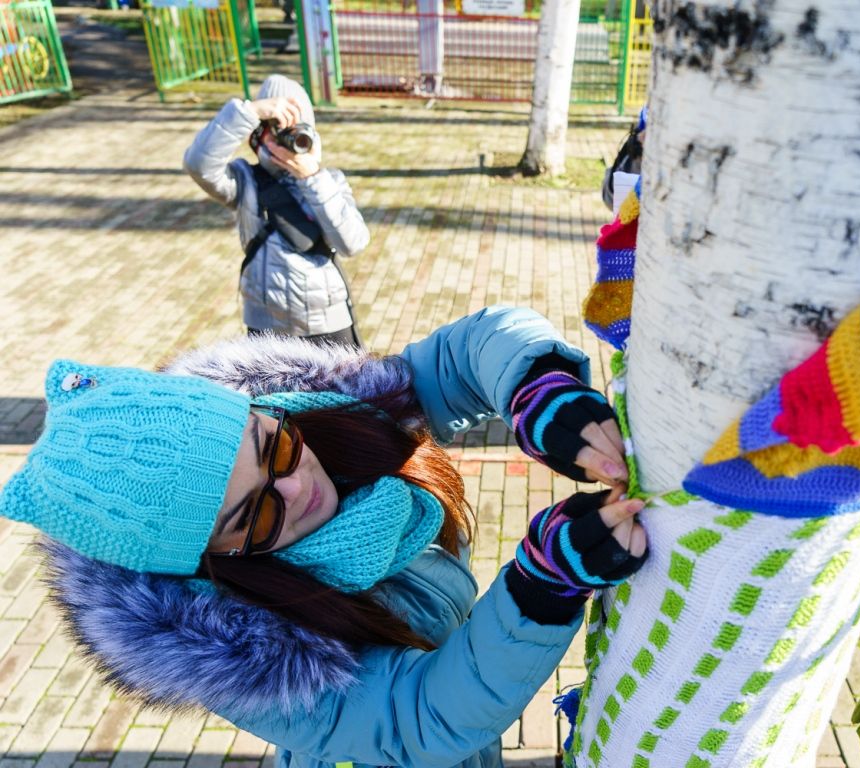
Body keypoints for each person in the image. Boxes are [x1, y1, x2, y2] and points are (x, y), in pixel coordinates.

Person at [1, 306, 647, 768]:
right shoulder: (248, 659)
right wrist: (540, 588)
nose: (295, 485)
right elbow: (414, 719)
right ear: (208, 562)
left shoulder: (332, 415)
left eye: (272, 446)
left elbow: (463, 355)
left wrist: (536, 389)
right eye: (253, 515)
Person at [184, 74, 369, 348]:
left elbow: (353, 243)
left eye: (294, 132)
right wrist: (249, 111)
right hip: (267, 328)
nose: (285, 141)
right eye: (276, 129)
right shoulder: (244, 180)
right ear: (259, 134)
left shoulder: (330, 181)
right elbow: (199, 164)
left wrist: (312, 179)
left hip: (328, 324)